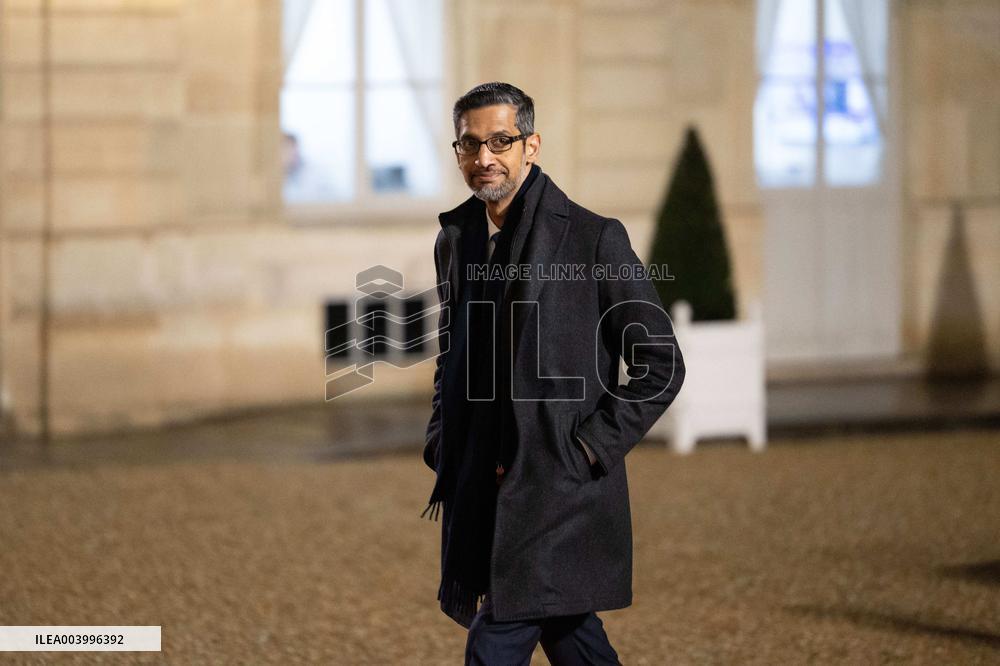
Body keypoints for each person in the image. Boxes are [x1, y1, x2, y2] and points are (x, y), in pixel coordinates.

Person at [421, 82, 685, 665]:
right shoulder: (456, 239)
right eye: (469, 144)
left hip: (558, 492)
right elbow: (450, 353)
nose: (483, 158)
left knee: (496, 642)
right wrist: (443, 440)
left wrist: (588, 449)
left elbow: (660, 365)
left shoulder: (594, 238)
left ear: (531, 145)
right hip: (482, 485)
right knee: (572, 636)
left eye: (500, 141)